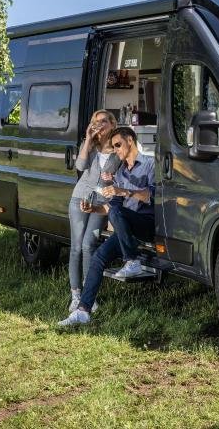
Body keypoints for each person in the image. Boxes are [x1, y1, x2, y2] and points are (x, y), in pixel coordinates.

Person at [58, 126, 155, 327]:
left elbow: (151, 197)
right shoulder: (120, 173)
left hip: (146, 224)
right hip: (126, 229)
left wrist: (124, 191)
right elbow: (111, 208)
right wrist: (92, 209)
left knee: (118, 212)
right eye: (113, 147)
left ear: (130, 140)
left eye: (118, 145)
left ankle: (132, 261)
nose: (116, 150)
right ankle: (83, 310)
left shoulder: (150, 164)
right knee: (98, 257)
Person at [66, 109, 117, 313]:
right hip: (80, 198)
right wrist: (88, 139)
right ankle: (75, 295)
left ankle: (88, 296)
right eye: (96, 121)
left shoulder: (118, 147)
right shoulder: (91, 147)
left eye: (104, 121)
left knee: (89, 245)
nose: (100, 125)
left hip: (101, 202)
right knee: (76, 247)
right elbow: (79, 165)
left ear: (113, 124)